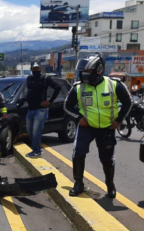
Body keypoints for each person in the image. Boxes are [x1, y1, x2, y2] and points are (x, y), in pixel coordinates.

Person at [64, 54, 132, 198]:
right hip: (86, 127)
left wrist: (118, 121)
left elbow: (128, 102)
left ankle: (110, 185)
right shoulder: (78, 87)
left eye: (87, 72)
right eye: (82, 72)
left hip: (107, 128)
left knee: (106, 158)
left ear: (99, 70)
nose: (84, 76)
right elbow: (68, 105)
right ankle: (78, 183)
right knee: (78, 153)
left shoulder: (114, 84)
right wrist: (79, 117)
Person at [25, 62, 62, 158]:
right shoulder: (29, 78)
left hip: (40, 110)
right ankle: (35, 149)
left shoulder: (45, 78)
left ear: (40, 68)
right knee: (29, 131)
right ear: (31, 69)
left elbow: (58, 87)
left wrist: (50, 101)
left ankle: (37, 151)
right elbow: (29, 92)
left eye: (38, 68)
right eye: (34, 68)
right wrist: (23, 99)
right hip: (30, 109)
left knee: (36, 132)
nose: (36, 70)